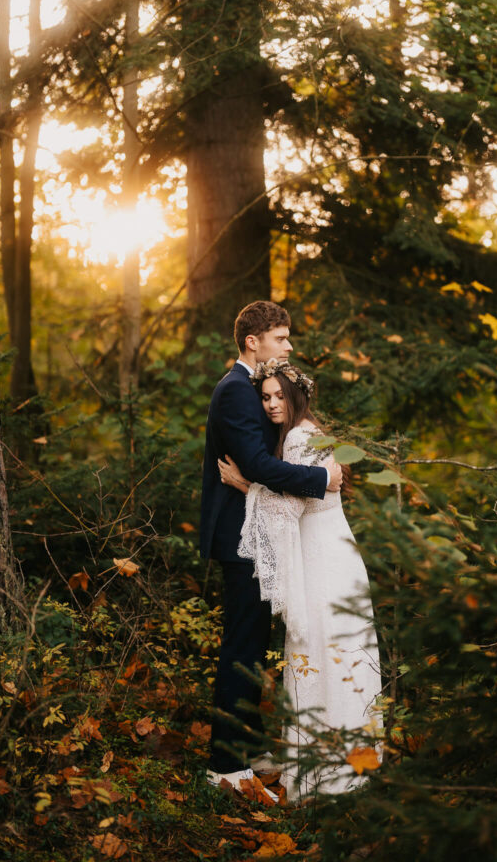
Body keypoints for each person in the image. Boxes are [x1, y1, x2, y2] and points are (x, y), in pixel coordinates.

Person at [218, 358, 382, 801]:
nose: (271, 405)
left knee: (321, 654)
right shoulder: (312, 433)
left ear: (297, 397)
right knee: (341, 654)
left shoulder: (297, 437)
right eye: (265, 397)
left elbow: (289, 509)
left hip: (323, 561)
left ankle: (324, 778)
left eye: (278, 396)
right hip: (335, 556)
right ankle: (351, 767)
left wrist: (242, 485)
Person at [200, 302, 343, 795]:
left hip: (256, 529)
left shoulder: (245, 389)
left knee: (254, 644)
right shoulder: (236, 390)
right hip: (241, 537)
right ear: (252, 342)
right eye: (280, 338)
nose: (287, 346)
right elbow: (258, 464)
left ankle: (248, 746)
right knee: (243, 644)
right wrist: (322, 478)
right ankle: (225, 764)